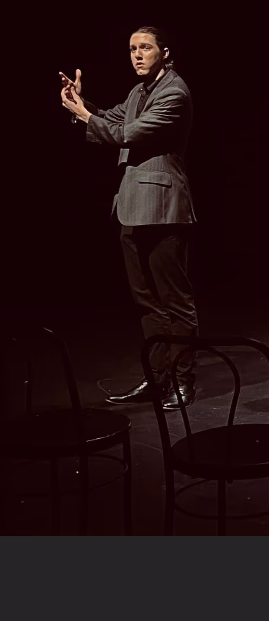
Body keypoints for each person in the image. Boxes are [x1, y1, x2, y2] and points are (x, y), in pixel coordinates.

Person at [59, 24, 198, 408]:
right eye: (133, 48)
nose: (137, 55)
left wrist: (86, 116)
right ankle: (158, 379)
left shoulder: (174, 92)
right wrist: (81, 105)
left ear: (164, 53)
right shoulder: (139, 91)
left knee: (174, 301)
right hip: (132, 207)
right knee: (147, 304)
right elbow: (112, 118)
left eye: (145, 48)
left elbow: (130, 133)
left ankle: (183, 382)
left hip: (163, 208)